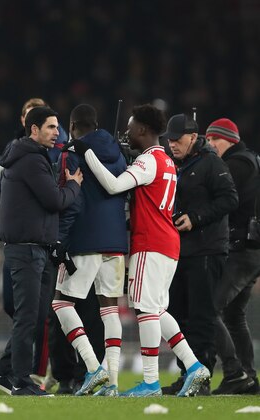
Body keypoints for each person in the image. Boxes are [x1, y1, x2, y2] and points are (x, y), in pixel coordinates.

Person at [68, 104, 211, 397]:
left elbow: (113, 185)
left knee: (145, 310)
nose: (127, 133)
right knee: (158, 310)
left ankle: (150, 381)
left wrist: (88, 153)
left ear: (143, 130)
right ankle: (193, 365)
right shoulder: (167, 160)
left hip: (151, 242)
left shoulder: (149, 161)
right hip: (168, 242)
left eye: (131, 128)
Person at [0, 106, 82, 396]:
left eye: (57, 127)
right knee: (28, 317)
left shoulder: (30, 157)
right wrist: (74, 186)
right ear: (34, 130)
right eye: (51, 127)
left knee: (35, 317)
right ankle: (21, 380)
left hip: (36, 249)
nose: (57, 132)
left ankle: (3, 372)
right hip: (26, 250)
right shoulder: (30, 160)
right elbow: (54, 200)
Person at [52, 104, 127, 396]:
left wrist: (62, 240)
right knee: (109, 310)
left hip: (85, 239)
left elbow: (73, 201)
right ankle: (114, 382)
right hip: (116, 241)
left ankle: (93, 368)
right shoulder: (119, 155)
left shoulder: (71, 155)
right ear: (96, 125)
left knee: (61, 304)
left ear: (72, 126)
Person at [162, 113, 238, 395]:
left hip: (206, 249)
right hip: (181, 251)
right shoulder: (176, 164)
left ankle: (202, 378)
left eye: (178, 139)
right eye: (169, 140)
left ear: (194, 137)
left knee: (201, 316)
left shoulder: (211, 163)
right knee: (180, 313)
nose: (173, 145)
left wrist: (196, 217)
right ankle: (187, 374)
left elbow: (230, 198)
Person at [205, 118, 260, 394]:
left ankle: (234, 372)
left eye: (215, 139)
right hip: (252, 250)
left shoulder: (237, 164)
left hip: (243, 250)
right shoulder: (250, 160)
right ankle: (248, 377)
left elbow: (219, 196)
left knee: (209, 308)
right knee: (234, 315)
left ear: (231, 140)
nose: (211, 144)